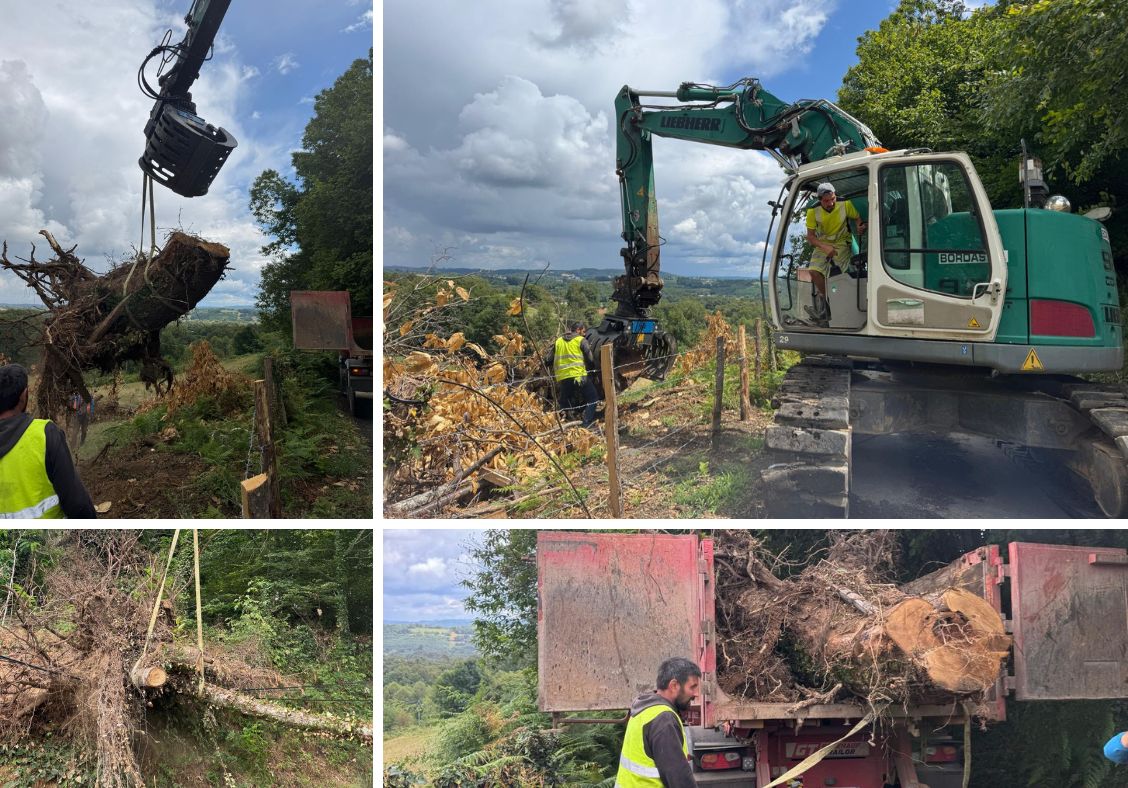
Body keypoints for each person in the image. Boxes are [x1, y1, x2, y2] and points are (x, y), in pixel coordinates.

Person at [0, 364, 96, 518]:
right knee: (78, 431)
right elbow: (77, 505)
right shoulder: (45, 434)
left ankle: (82, 442)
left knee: (82, 431)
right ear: (24, 395)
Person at [616, 656, 702, 787]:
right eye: (693, 686)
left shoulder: (646, 708)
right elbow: (679, 778)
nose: (696, 694)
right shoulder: (663, 719)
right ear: (674, 685)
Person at [804, 182, 866, 326]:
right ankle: (828, 303)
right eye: (826, 201)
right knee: (814, 272)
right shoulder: (813, 211)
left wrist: (859, 225)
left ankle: (838, 307)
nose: (831, 203)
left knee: (836, 276)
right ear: (819, 200)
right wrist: (824, 247)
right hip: (822, 243)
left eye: (833, 199)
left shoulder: (845, 204)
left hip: (842, 242)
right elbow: (811, 237)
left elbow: (857, 218)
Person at [546, 320, 598, 428]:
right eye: (583, 331)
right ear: (578, 330)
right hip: (579, 376)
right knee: (593, 398)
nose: (584, 334)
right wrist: (593, 370)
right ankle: (586, 423)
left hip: (563, 378)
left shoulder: (559, 341)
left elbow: (547, 360)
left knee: (564, 403)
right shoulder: (581, 340)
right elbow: (590, 358)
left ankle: (565, 425)